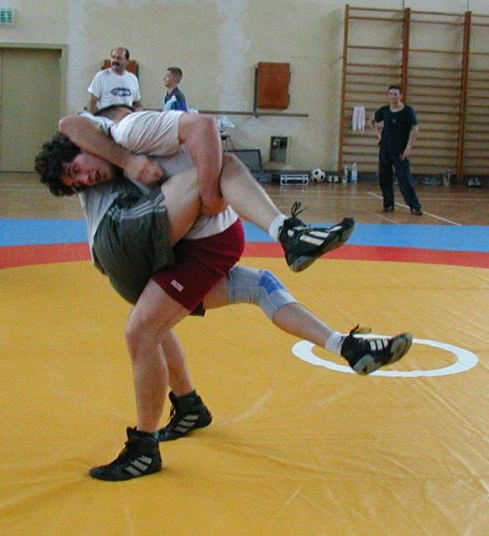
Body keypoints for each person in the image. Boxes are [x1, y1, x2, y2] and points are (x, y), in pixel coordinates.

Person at [35, 110, 411, 481]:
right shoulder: (125, 140)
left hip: (183, 248)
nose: (85, 180)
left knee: (217, 301)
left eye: (77, 171)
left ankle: (342, 346)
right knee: (146, 328)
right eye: (76, 180)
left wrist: (195, 185)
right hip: (158, 243)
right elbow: (72, 124)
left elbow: (201, 128)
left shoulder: (134, 131)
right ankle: (289, 233)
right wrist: (143, 167)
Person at [371, 85, 423, 215]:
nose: (393, 96)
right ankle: (388, 205)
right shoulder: (384, 110)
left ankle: (414, 206)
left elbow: (415, 129)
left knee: (404, 179)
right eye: (390, 94)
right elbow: (371, 121)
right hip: (385, 149)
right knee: (384, 178)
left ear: (401, 96)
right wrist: (378, 135)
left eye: (395, 94)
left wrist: (409, 147)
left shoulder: (408, 111)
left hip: (400, 151)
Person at [87, 47, 142, 113]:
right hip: (106, 118)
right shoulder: (101, 76)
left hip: (127, 118)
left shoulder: (133, 79)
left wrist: (139, 111)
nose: (115, 61)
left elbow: (136, 102)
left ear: (127, 62)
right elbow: (92, 103)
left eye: (119, 58)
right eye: (113, 57)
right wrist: (93, 117)